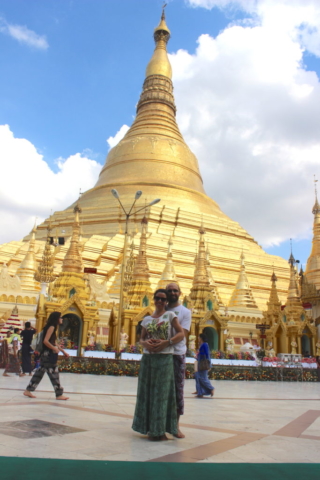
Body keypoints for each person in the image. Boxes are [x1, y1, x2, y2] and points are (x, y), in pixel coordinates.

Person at [132, 289, 184, 441]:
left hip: (165, 358)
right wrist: (145, 344)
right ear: (153, 300)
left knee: (161, 395)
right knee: (147, 393)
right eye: (158, 298)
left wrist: (167, 342)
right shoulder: (147, 320)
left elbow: (181, 334)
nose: (160, 301)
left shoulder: (170, 316)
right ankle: (148, 428)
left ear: (167, 302)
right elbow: (140, 340)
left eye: (163, 299)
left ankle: (160, 430)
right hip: (149, 359)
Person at [23, 312, 69, 400]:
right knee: (54, 373)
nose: (62, 319)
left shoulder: (52, 327)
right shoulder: (51, 327)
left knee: (39, 372)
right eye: (60, 317)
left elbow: (53, 342)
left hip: (46, 353)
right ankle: (59, 394)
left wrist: (63, 351)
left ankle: (28, 390)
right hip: (48, 354)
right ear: (56, 318)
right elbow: (46, 341)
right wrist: (54, 349)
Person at [166, 282, 191, 439]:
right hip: (162, 354)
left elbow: (184, 334)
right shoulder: (162, 309)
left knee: (177, 391)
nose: (173, 293)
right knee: (161, 390)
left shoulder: (185, 312)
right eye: (170, 290)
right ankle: (158, 424)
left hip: (177, 353)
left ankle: (175, 426)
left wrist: (166, 342)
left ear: (180, 293)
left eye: (175, 290)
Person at [194, 333, 214, 398]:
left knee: (203, 378)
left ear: (201, 338)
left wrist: (199, 353)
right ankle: (200, 393)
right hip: (200, 362)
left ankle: (211, 388)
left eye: (199, 337)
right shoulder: (202, 345)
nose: (198, 339)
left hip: (203, 363)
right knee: (199, 377)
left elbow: (205, 353)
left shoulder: (204, 345)